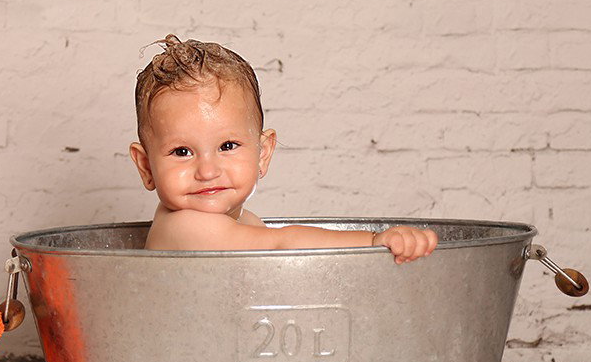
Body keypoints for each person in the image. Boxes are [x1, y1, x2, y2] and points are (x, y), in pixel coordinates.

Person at [129, 35, 438, 263]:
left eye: (227, 146)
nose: (207, 171)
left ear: (262, 154)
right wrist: (373, 241)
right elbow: (280, 246)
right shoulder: (185, 226)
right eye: (182, 152)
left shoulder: (246, 221)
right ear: (146, 167)